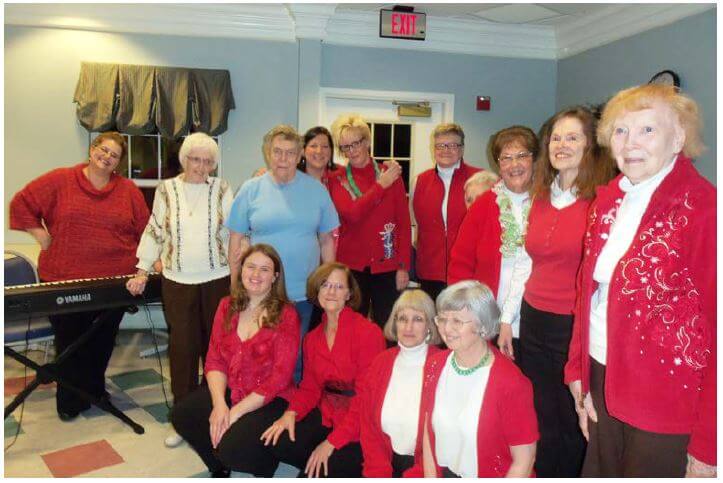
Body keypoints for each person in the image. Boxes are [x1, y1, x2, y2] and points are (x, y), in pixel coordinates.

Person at [565, 85, 716, 477]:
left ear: (678, 137)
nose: (630, 143)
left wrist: (710, 441)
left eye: (647, 130)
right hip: (602, 378)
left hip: (667, 398)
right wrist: (578, 372)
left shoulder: (703, 208)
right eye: (620, 131)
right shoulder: (608, 201)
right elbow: (589, 295)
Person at [9, 131, 150, 421]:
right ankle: (70, 399)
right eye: (104, 149)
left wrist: (147, 264)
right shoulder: (61, 180)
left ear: (119, 163)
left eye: (115, 155)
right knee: (70, 341)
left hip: (114, 282)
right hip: (64, 278)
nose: (107, 157)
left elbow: (147, 230)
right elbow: (20, 204)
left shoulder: (128, 191)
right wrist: (41, 236)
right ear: (92, 149)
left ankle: (95, 391)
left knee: (101, 340)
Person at [518, 107, 615, 476]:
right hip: (534, 318)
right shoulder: (540, 196)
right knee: (541, 412)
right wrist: (511, 320)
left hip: (574, 324)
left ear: (590, 145)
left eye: (573, 137)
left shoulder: (603, 201)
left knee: (574, 413)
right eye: (556, 137)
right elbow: (527, 262)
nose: (562, 145)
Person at [126, 132, 233, 447]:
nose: (201, 166)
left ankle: (215, 411)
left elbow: (234, 233)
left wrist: (241, 274)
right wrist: (142, 269)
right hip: (178, 280)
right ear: (184, 159)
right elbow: (155, 230)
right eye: (195, 159)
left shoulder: (222, 188)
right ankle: (183, 419)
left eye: (208, 161)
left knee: (216, 350)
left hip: (219, 279)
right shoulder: (166, 189)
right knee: (183, 351)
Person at [170, 244, 300, 478]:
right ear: (241, 271)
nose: (256, 275)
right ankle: (218, 465)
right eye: (250, 267)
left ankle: (264, 465)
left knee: (234, 448)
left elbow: (279, 378)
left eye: (264, 269)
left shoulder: (286, 314)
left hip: (269, 398)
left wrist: (234, 413)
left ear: (275, 277)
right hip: (233, 389)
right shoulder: (226, 306)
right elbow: (214, 361)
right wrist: (220, 404)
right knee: (183, 414)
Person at [227, 124, 339, 381]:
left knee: (296, 358)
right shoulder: (250, 189)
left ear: (300, 154)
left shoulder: (317, 191)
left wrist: (328, 282)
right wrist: (235, 284)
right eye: (277, 151)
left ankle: (292, 412)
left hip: (303, 295)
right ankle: (259, 410)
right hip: (260, 292)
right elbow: (235, 241)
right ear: (268, 152)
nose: (283, 158)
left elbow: (326, 241)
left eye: (290, 152)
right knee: (260, 357)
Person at [260, 262, 386, 477]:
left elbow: (368, 399)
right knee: (278, 440)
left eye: (339, 287)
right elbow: (309, 387)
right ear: (316, 290)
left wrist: (330, 443)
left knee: (322, 470)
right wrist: (290, 413)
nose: (331, 292)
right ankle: (318, 462)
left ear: (349, 294)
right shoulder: (312, 338)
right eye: (325, 285)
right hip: (328, 414)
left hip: (361, 421)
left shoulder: (368, 333)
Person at [405, 280, 538, 477]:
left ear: (482, 325)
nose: (446, 329)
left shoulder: (511, 383)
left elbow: (524, 462)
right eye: (442, 319)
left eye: (457, 321)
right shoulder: (435, 364)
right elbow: (428, 430)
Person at [448, 125, 538, 361]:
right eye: (506, 158)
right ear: (498, 164)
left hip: (538, 313)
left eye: (521, 156)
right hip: (491, 314)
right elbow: (461, 262)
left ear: (534, 159)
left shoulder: (549, 201)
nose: (514, 164)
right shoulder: (484, 204)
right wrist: (464, 313)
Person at [327, 114, 412, 328]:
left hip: (388, 264)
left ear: (367, 141)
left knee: (390, 327)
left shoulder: (390, 173)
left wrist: (403, 266)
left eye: (356, 143)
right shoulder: (337, 178)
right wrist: (380, 186)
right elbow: (352, 214)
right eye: (345, 147)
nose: (352, 150)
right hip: (352, 266)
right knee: (352, 327)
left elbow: (403, 221)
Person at [358, 289, 442, 477]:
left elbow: (443, 437)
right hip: (384, 460)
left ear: (430, 325)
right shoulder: (381, 362)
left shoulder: (442, 366)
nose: (408, 327)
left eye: (418, 319)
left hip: (426, 468)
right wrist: (378, 472)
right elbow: (368, 425)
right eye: (402, 318)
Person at [412, 123, 481, 301]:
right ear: (433, 148)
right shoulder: (420, 181)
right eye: (441, 145)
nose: (446, 150)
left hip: (467, 269)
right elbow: (415, 224)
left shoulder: (479, 179)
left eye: (453, 145)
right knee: (433, 322)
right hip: (429, 270)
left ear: (462, 148)